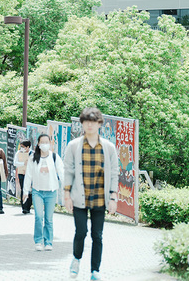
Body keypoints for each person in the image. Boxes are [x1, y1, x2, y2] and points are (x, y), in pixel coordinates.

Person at [63, 107, 119, 281]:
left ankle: (95, 270)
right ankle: (76, 259)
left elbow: (114, 173)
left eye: (93, 121)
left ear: (99, 124)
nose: (89, 125)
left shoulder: (108, 147)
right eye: (86, 121)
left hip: (100, 198)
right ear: (82, 124)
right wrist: (66, 195)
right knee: (81, 232)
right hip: (79, 196)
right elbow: (68, 171)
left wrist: (113, 197)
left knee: (97, 235)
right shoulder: (73, 146)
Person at [22, 134, 64, 251]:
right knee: (39, 217)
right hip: (37, 191)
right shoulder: (33, 158)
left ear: (50, 143)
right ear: (39, 144)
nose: (45, 144)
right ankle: (38, 241)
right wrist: (25, 191)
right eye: (42, 142)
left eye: (47, 142)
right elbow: (28, 175)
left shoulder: (55, 157)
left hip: (51, 192)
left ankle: (48, 242)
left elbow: (62, 173)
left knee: (49, 218)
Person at [14, 140, 33, 214]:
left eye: (23, 146)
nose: (21, 148)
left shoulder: (32, 153)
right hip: (21, 173)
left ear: (28, 147)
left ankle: (28, 206)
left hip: (30, 174)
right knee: (23, 189)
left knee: (29, 190)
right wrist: (23, 163)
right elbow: (15, 163)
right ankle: (24, 207)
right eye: (21, 146)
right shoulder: (18, 153)